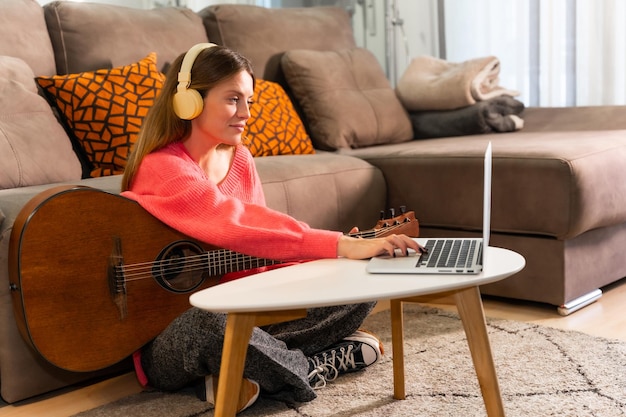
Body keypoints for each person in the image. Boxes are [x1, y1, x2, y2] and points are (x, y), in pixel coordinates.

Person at [120, 43, 422, 413]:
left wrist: (327, 263)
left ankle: (250, 374)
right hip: (170, 339)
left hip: (247, 315)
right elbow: (236, 222)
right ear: (188, 102)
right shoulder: (163, 168)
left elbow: (259, 244)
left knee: (362, 282)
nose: (246, 113)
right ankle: (308, 368)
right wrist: (338, 243)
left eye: (249, 100)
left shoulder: (240, 158)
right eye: (233, 99)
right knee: (212, 324)